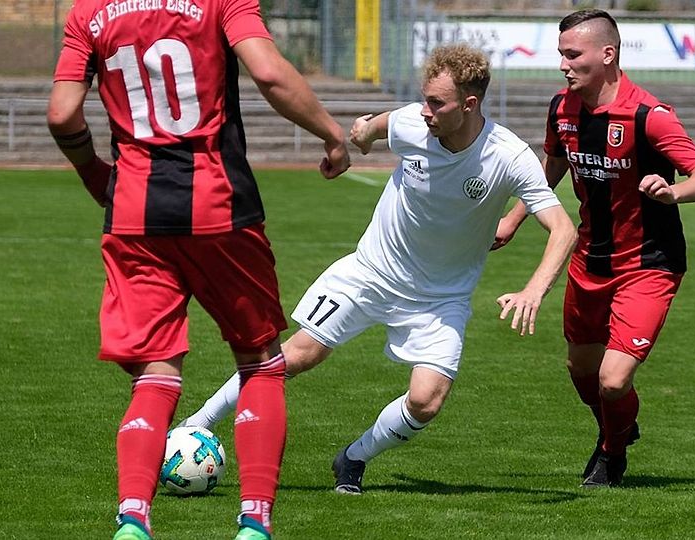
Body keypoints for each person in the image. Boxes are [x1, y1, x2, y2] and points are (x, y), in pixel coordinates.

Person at [179, 43, 577, 494]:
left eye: (437, 103)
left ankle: (353, 458)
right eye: (425, 99)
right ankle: (196, 425)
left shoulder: (508, 155)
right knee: (298, 355)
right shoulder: (413, 123)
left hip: (441, 298)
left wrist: (533, 290)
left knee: (427, 401)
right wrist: (362, 135)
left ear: (470, 104)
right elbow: (376, 127)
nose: (425, 111)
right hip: (370, 273)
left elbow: (563, 229)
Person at [46, 0, 350, 537]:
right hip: (219, 206)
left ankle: (133, 519)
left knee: (154, 375)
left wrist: (93, 171)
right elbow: (268, 73)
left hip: (135, 214)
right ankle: (254, 523)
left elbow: (62, 113)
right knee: (260, 363)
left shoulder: (89, 12)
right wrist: (331, 132)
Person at [493, 9, 695, 488]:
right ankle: (618, 425)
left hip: (648, 263)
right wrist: (513, 218)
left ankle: (611, 452)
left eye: (573, 55)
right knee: (581, 369)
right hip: (589, 258)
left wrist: (673, 192)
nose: (563, 65)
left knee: (613, 379)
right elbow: (553, 164)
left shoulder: (649, 116)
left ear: (608, 54)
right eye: (561, 54)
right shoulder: (561, 108)